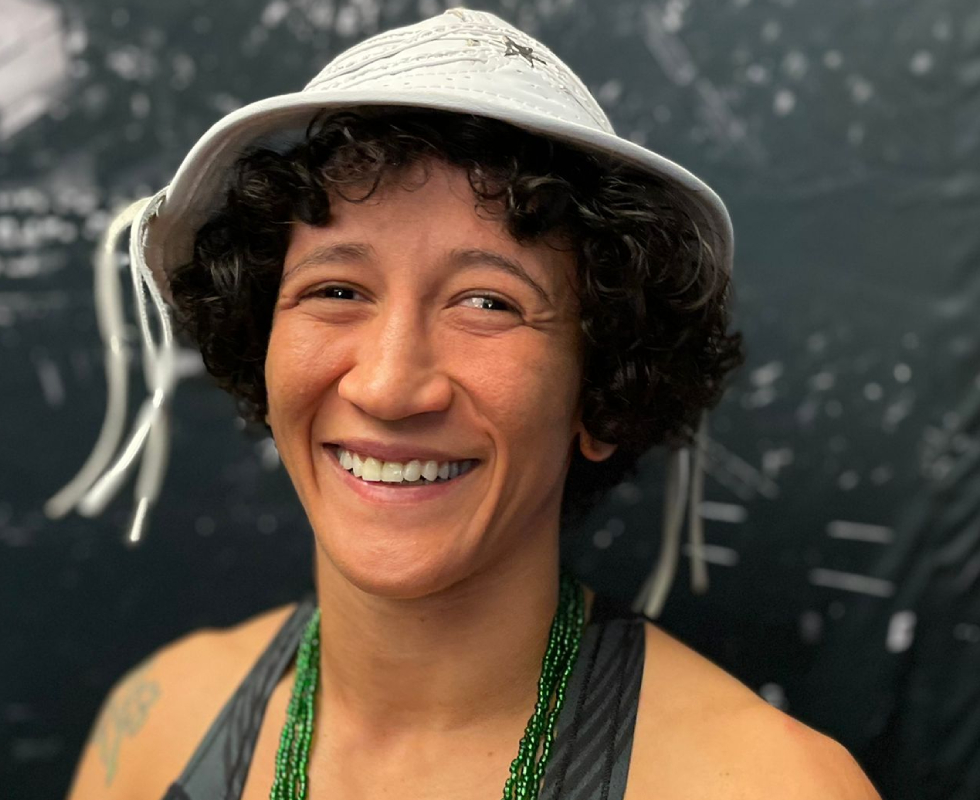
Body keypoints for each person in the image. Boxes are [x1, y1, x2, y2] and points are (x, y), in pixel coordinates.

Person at [61, 9, 883, 800]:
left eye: (488, 303)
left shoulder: (774, 787)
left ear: (601, 389)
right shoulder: (157, 727)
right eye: (336, 290)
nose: (388, 386)